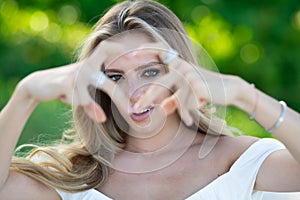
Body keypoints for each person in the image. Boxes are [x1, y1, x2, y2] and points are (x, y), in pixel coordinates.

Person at [0, 0, 299, 199]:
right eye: (115, 77)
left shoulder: (238, 160)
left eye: (150, 72)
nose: (134, 91)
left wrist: (244, 94)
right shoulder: (73, 176)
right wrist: (25, 94)